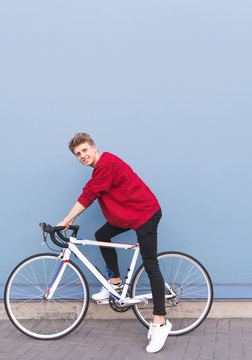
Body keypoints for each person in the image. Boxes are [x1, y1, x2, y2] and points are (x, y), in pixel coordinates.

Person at [56, 132, 172, 353]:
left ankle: (160, 322)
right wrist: (69, 220)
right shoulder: (100, 168)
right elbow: (92, 192)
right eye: (78, 154)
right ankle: (116, 282)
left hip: (145, 214)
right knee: (102, 235)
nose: (82, 156)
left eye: (85, 151)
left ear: (94, 148)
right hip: (131, 214)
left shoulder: (106, 163)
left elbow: (89, 195)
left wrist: (67, 220)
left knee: (150, 265)